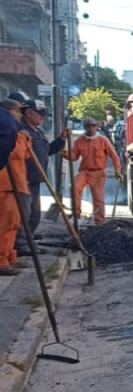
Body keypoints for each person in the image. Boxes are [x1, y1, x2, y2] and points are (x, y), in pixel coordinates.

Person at [7, 92, 66, 255]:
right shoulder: (20, 130)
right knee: (23, 215)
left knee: (34, 214)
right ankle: (21, 245)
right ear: (28, 113)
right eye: (40, 114)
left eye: (44, 114)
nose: (43, 117)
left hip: (35, 179)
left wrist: (60, 141)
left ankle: (28, 240)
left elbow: (47, 151)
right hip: (22, 178)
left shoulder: (37, 132)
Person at [69, 118, 124, 225]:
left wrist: (118, 171)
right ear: (85, 127)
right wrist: (66, 154)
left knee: (98, 198)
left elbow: (114, 156)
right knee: (75, 188)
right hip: (85, 171)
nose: (91, 128)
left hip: (99, 172)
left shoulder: (103, 140)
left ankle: (99, 222)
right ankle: (76, 217)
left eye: (93, 126)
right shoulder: (79, 141)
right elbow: (74, 156)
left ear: (96, 127)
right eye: (88, 126)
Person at [0, 99, 28, 275]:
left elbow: (24, 155)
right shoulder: (9, 131)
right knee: (6, 224)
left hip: (15, 184)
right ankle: (2, 261)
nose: (20, 115)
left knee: (13, 225)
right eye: (18, 111)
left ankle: (10, 257)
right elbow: (14, 154)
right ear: (10, 110)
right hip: (6, 185)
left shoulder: (15, 132)